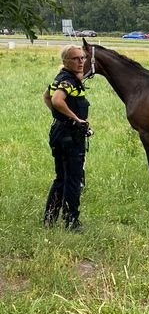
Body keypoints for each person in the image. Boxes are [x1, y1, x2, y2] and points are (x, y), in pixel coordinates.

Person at [42, 45, 91, 230]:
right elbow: (55, 100)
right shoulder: (67, 81)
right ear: (65, 62)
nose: (81, 62)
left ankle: (50, 219)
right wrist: (75, 119)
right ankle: (71, 222)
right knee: (72, 179)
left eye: (82, 58)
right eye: (76, 59)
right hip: (69, 136)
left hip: (61, 132)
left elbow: (46, 96)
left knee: (61, 178)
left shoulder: (64, 78)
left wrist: (60, 117)